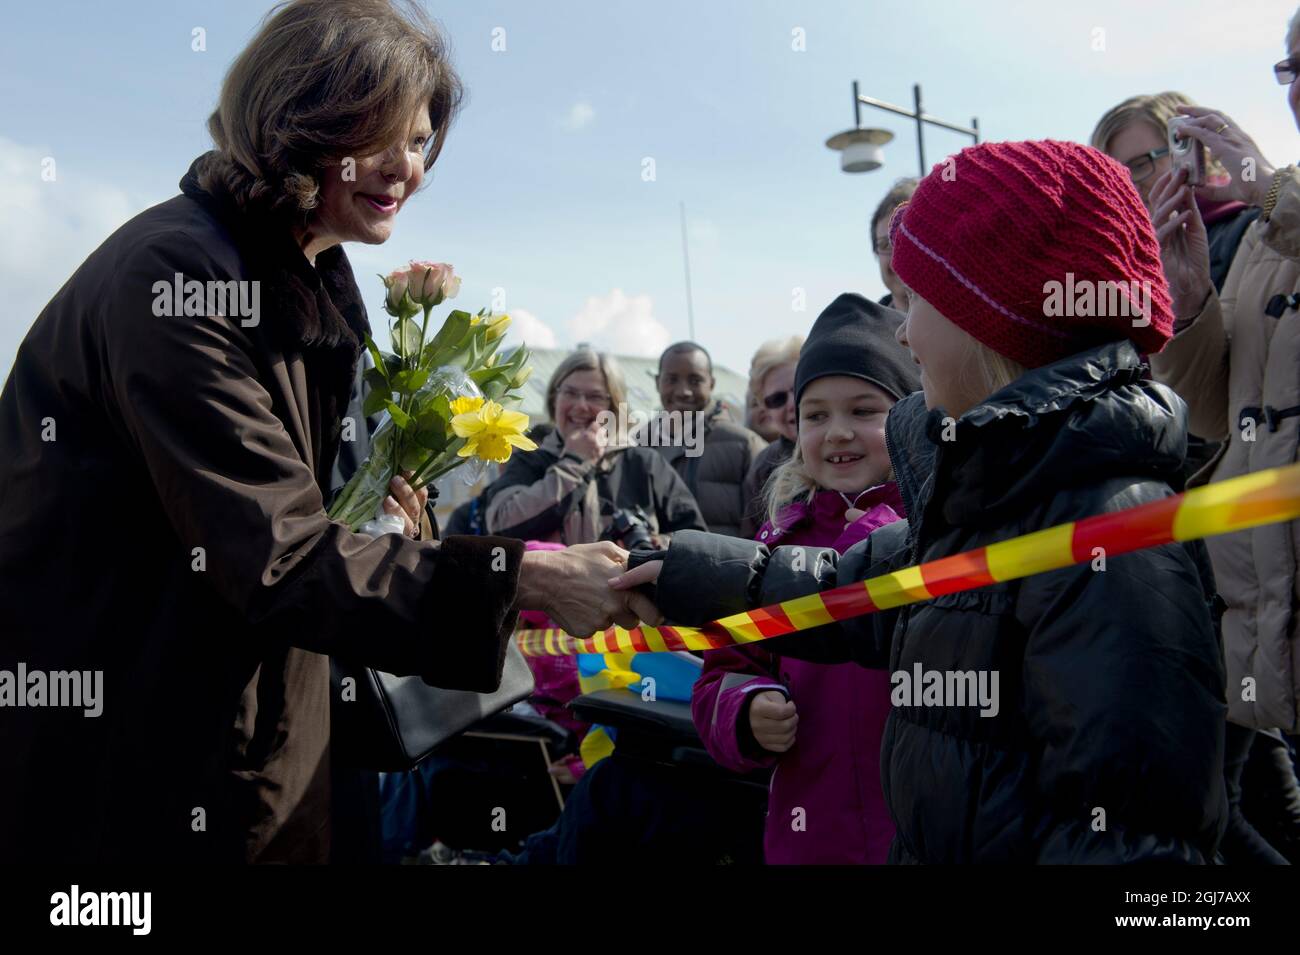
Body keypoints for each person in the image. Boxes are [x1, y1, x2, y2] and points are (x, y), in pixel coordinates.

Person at [0, 0, 658, 864]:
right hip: (138, 754)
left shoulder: (301, 280)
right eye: (382, 135)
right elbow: (273, 553)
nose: (407, 169)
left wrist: (392, 524)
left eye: (421, 142)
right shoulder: (176, 275)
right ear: (298, 118)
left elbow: (312, 529)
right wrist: (523, 580)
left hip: (256, 735)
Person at [617, 140, 1229, 863]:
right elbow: (838, 588)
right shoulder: (988, 491)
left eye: (916, 302)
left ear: (993, 316)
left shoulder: (1108, 537)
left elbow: (1133, 848)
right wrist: (675, 573)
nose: (903, 330)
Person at [1146, 8, 1300, 861]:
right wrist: (1193, 296)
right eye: (1290, 65)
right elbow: (1215, 417)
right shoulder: (1267, 238)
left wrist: (1274, 192)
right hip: (1271, 651)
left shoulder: (1279, 205)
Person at [691, 294, 920, 864]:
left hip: (919, 834)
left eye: (864, 410)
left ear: (913, 415)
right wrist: (745, 710)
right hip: (812, 838)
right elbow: (723, 671)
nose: (837, 432)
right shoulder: (775, 548)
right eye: (815, 415)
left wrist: (876, 536)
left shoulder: (936, 535)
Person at [482, 348, 706, 545]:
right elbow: (500, 524)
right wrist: (575, 462)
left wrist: (656, 545)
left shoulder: (644, 463)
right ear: (554, 398)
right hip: (550, 594)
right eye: (570, 393)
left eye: (595, 396)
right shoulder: (529, 461)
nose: (580, 406)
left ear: (614, 406)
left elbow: (695, 538)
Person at [645, 341, 766, 536]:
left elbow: (764, 528)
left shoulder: (745, 446)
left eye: (695, 380)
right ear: (658, 382)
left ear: (712, 383)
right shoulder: (641, 445)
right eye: (671, 379)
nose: (683, 391)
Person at [740, 336, 803, 538]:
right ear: (766, 410)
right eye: (777, 399)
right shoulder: (763, 466)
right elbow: (750, 549)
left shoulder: (856, 443)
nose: (791, 404)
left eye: (799, 388)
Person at [870, 178, 918, 311]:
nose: (897, 258)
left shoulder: (970, 327)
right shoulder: (856, 328)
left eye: (907, 240)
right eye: (885, 245)